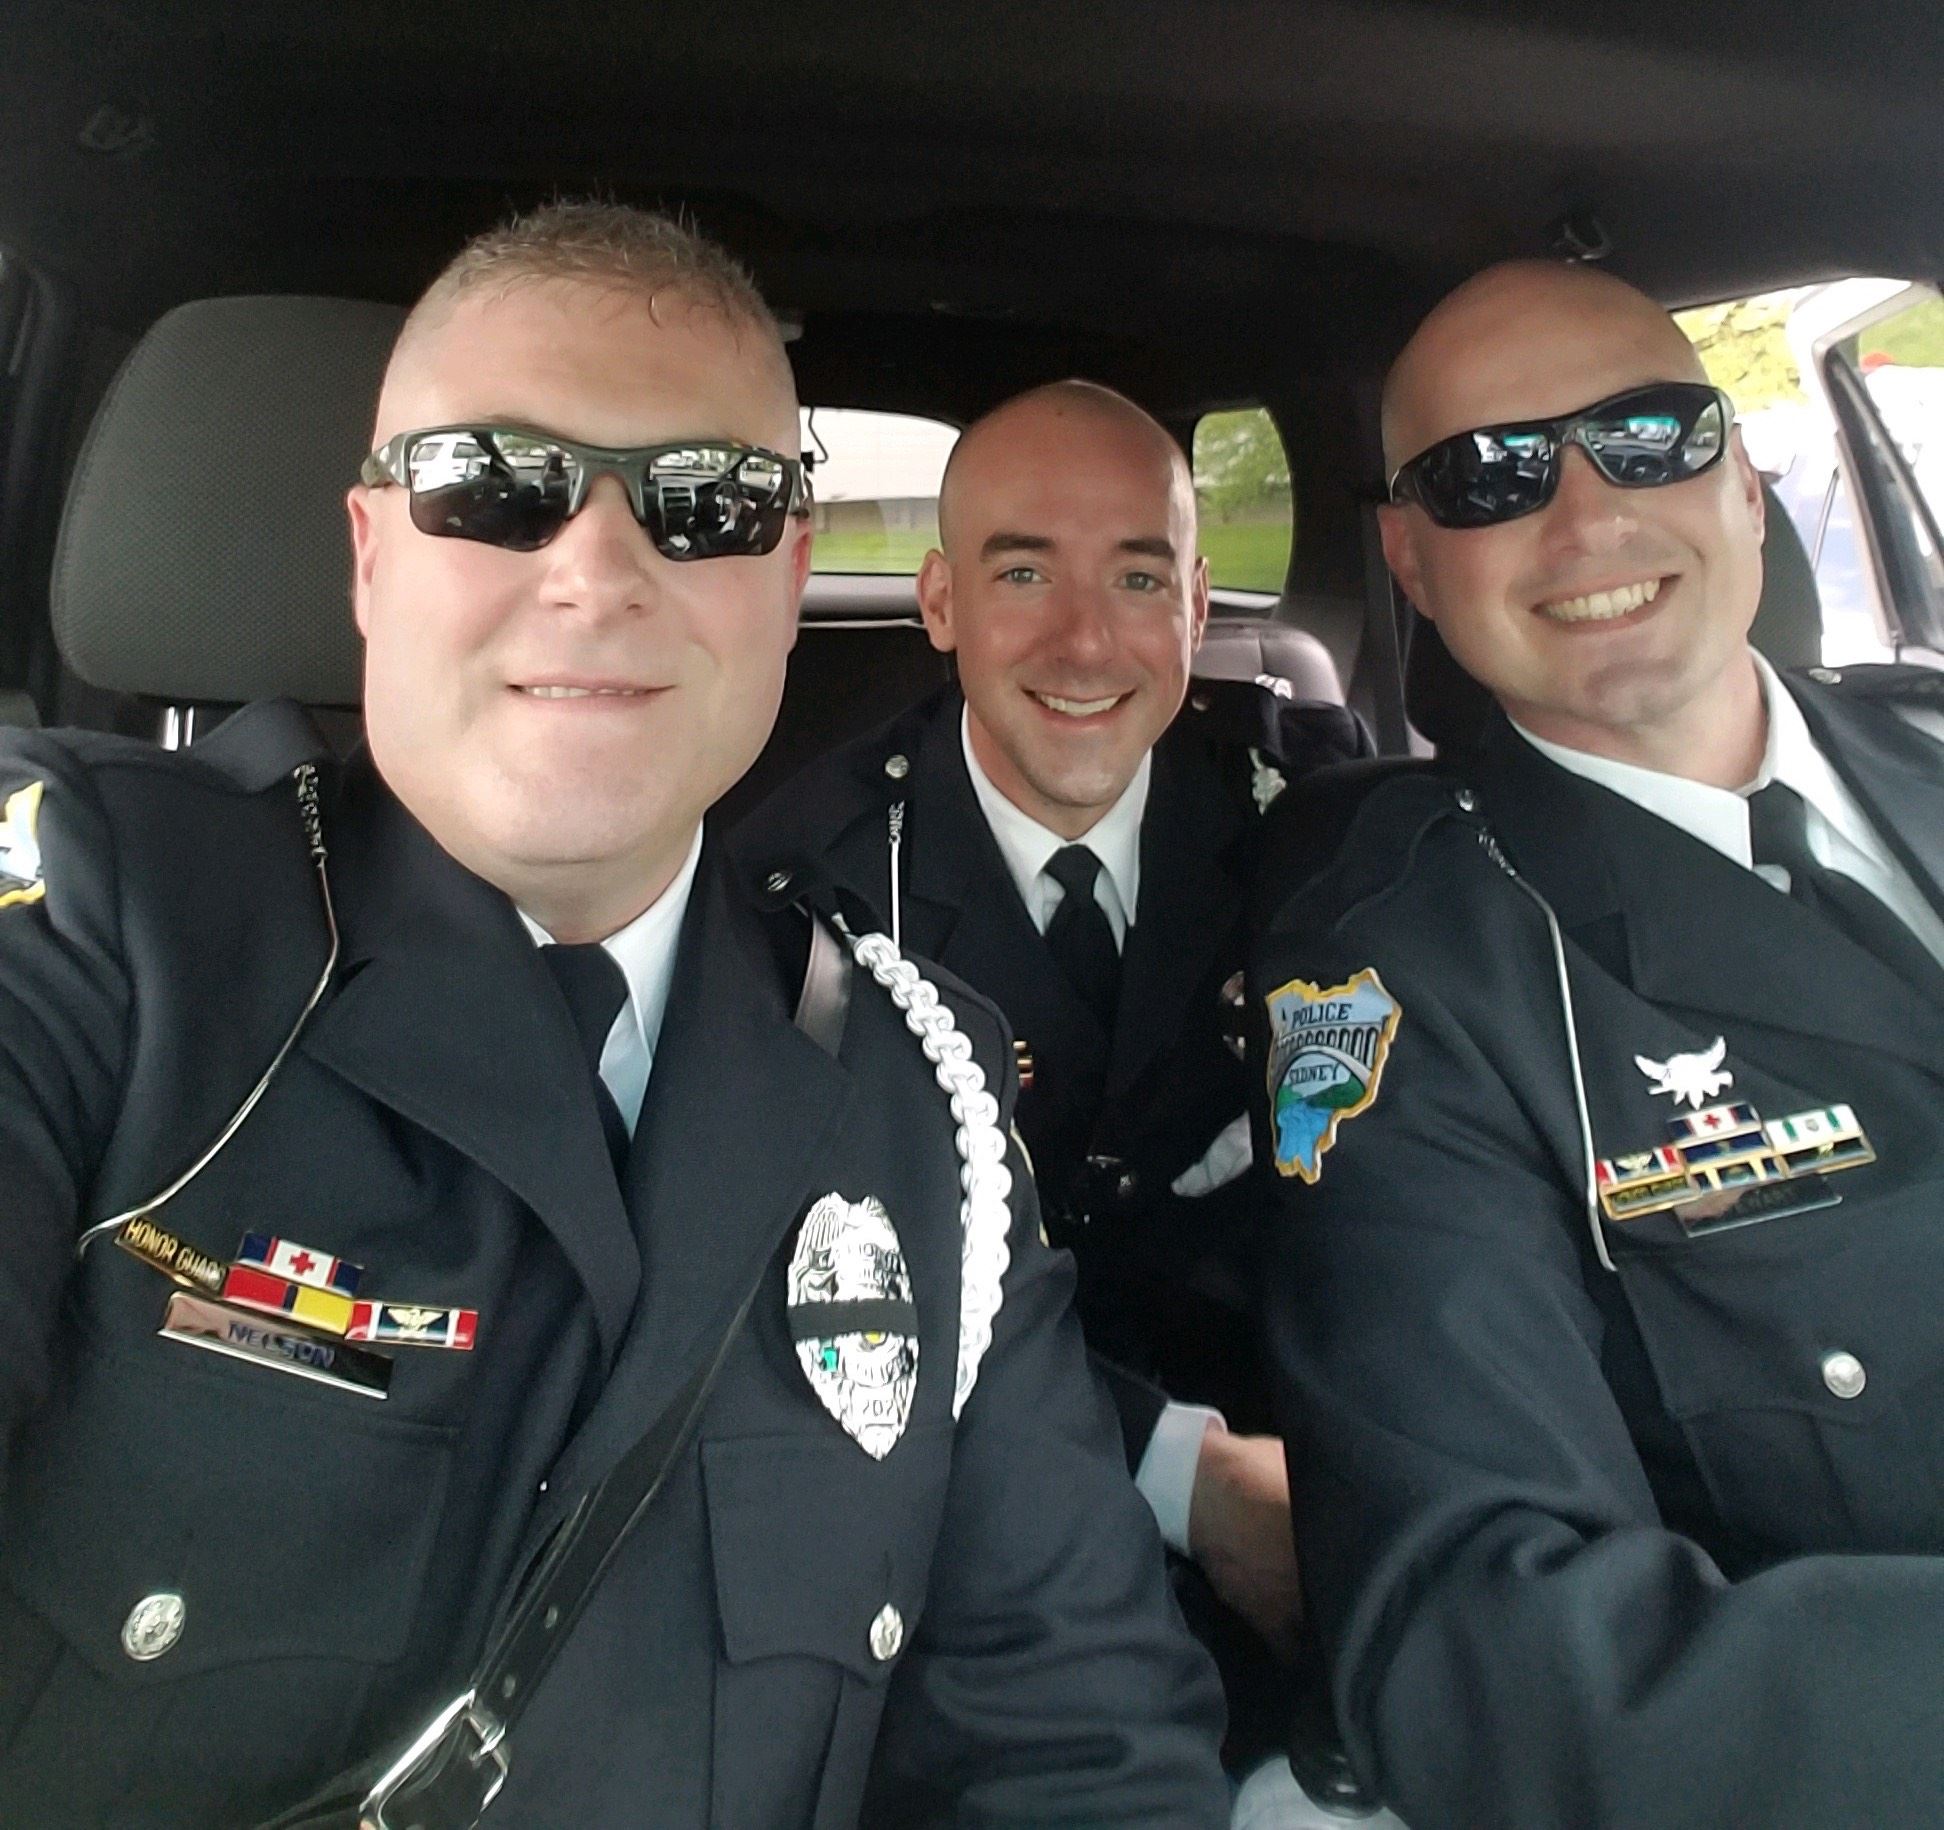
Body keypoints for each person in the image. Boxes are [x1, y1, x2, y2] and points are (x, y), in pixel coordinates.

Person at [0, 203, 1227, 1829]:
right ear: (373, 551)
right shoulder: (91, 918)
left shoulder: (922, 1100)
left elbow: (1083, 1748)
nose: (594, 566)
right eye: (489, 484)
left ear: (787, 580)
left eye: (701, 505)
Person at [1252, 257, 1944, 1829]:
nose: (1585, 519)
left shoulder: (1928, 752)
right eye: (1490, 475)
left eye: (1648, 435)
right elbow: (1476, 1642)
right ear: (1410, 562)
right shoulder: (1393, 972)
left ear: (1747, 482)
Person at [736, 381, 1371, 1767]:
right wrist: (1185, 1477)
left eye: (1138, 575)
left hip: (1316, 1458)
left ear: (1199, 606)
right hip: (945, 1499)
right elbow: (832, 1302)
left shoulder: (1313, 818)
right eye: (1024, 570)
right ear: (941, 600)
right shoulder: (803, 886)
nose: (1086, 638)